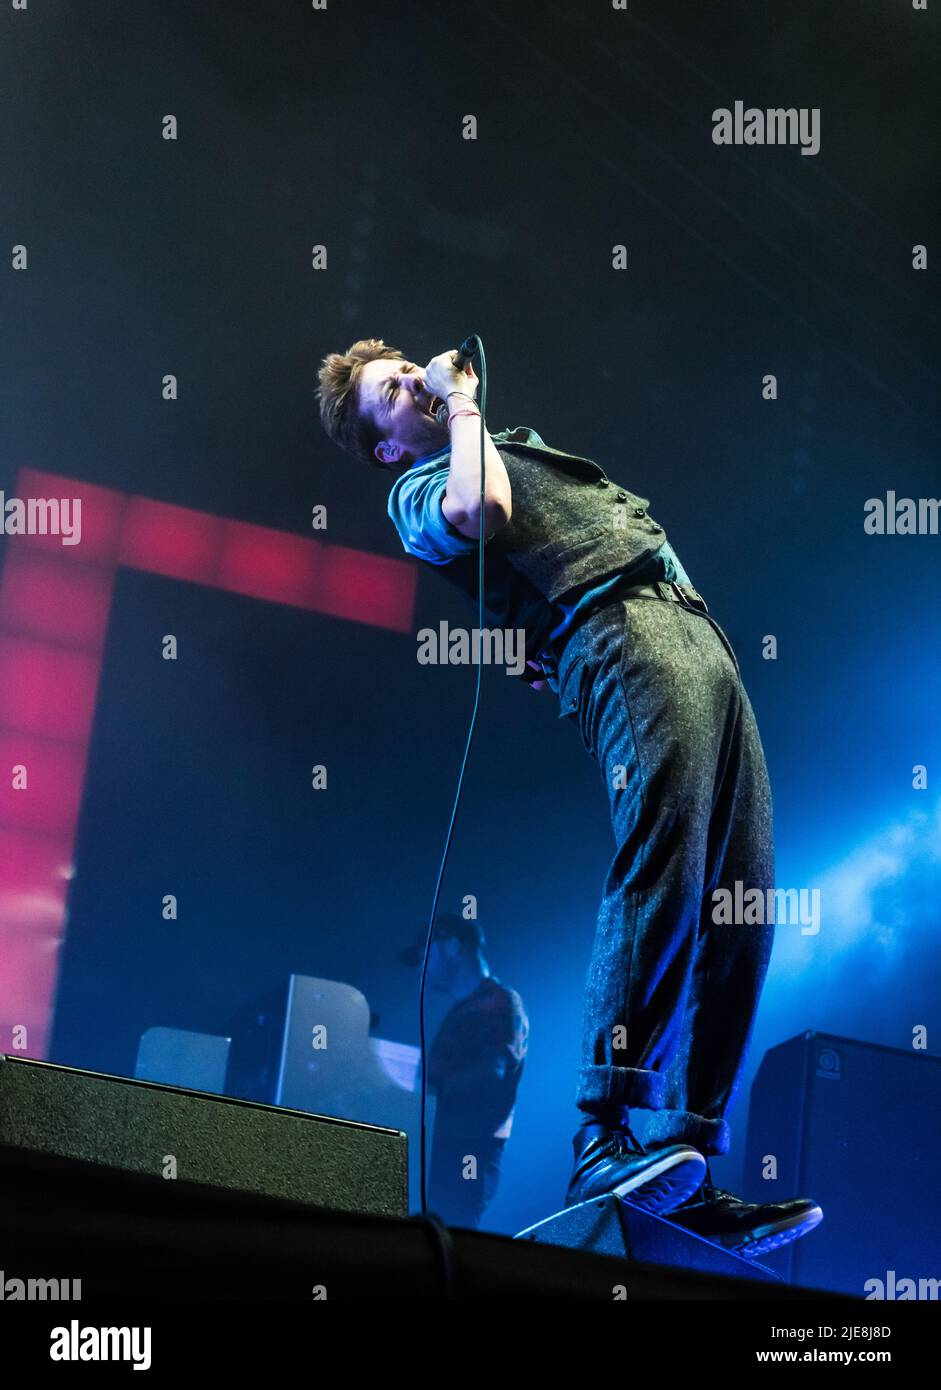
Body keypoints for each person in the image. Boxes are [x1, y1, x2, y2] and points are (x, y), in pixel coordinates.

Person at [316, 340, 822, 1259]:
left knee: (739, 899)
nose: (411, 383)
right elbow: (481, 508)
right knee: (662, 860)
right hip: (621, 635)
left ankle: (684, 1154)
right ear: (386, 445)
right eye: (389, 392)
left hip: (687, 632)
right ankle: (603, 1131)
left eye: (403, 368)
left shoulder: (494, 440)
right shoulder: (418, 490)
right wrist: (459, 407)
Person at [398, 913, 528, 1229]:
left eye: (426, 954)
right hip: (443, 1153)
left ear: (453, 946)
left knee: (447, 1240)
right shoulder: (465, 1008)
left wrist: (430, 1094)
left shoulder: (497, 1001)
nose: (421, 966)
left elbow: (492, 1071)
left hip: (466, 1154)